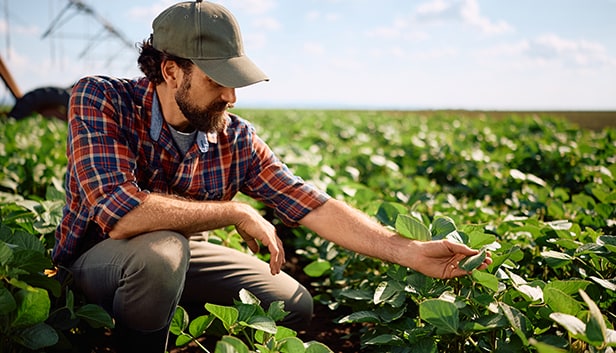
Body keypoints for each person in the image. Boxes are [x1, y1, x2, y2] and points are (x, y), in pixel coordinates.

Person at [52, 1, 492, 352]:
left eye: (235, 79)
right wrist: (235, 212)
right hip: (100, 262)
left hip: (178, 263)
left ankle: (170, 316)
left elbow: (309, 202)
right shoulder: (101, 97)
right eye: (217, 80)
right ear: (171, 71)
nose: (232, 96)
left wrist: (408, 250)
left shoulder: (234, 136)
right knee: (161, 252)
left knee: (292, 303)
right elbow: (121, 215)